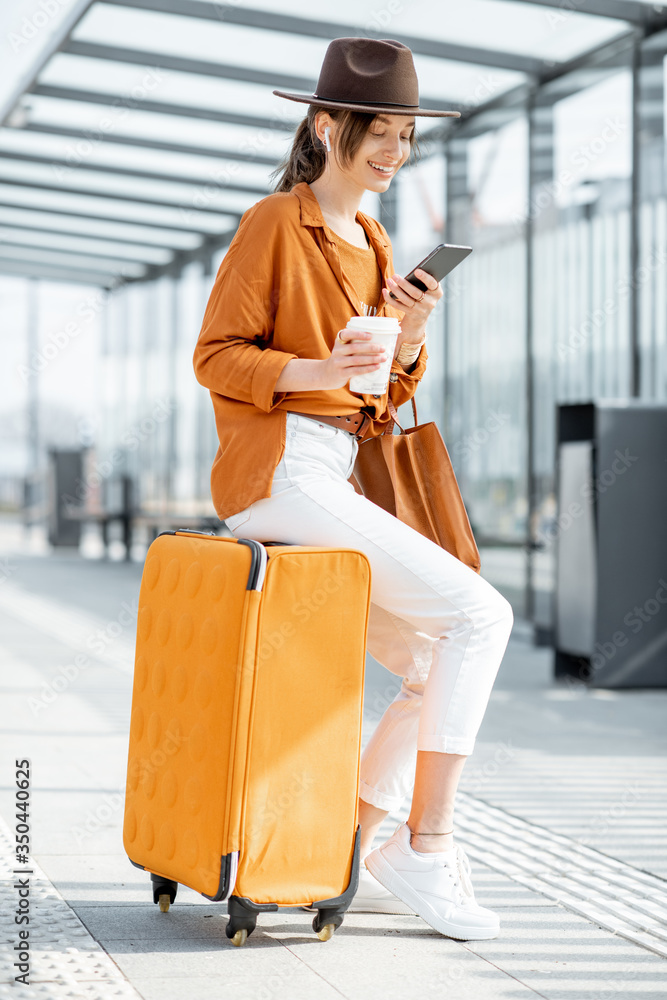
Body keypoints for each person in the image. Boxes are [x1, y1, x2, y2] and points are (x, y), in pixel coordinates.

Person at [193, 37, 513, 941]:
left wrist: (405, 339)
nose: (394, 153)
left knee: (428, 659)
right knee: (480, 618)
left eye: (407, 137)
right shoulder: (272, 223)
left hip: (331, 469)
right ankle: (427, 845)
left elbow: (378, 397)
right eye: (381, 132)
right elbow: (216, 356)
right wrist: (314, 365)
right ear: (328, 125)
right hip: (277, 471)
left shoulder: (374, 243)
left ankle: (347, 850)